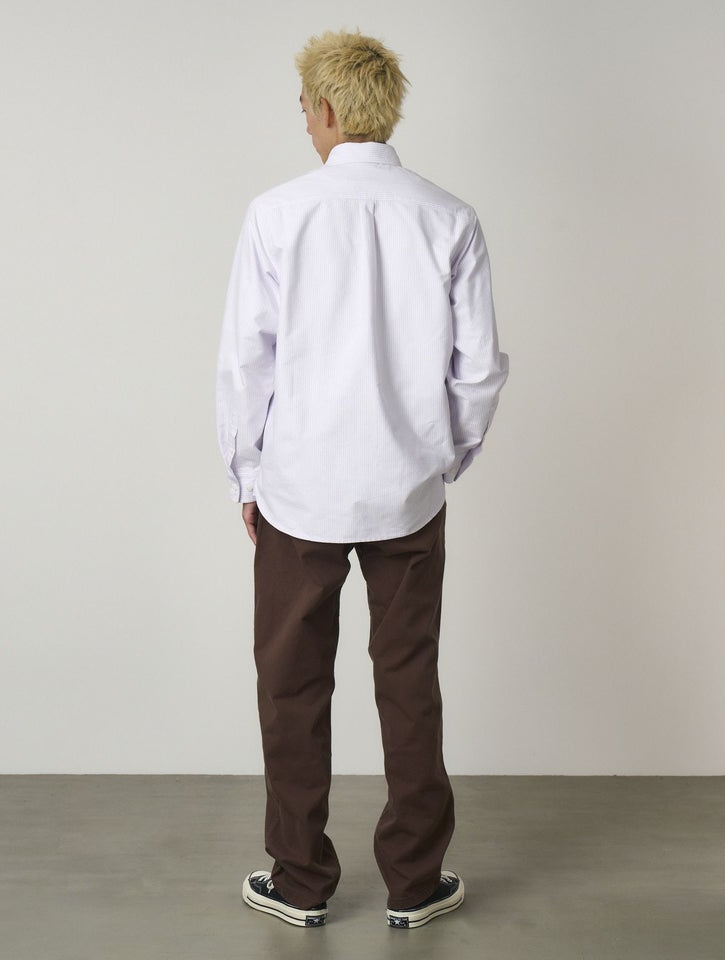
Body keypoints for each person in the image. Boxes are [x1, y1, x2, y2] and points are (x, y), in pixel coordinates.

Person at [215, 28, 509, 929]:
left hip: (298, 491)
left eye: (305, 106)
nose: (303, 120)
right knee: (409, 680)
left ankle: (301, 882)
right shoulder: (450, 218)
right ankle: (415, 884)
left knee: (291, 686)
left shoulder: (277, 213)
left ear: (328, 110)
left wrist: (246, 473)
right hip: (407, 493)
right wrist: (443, 458)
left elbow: (246, 362)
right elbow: (478, 370)